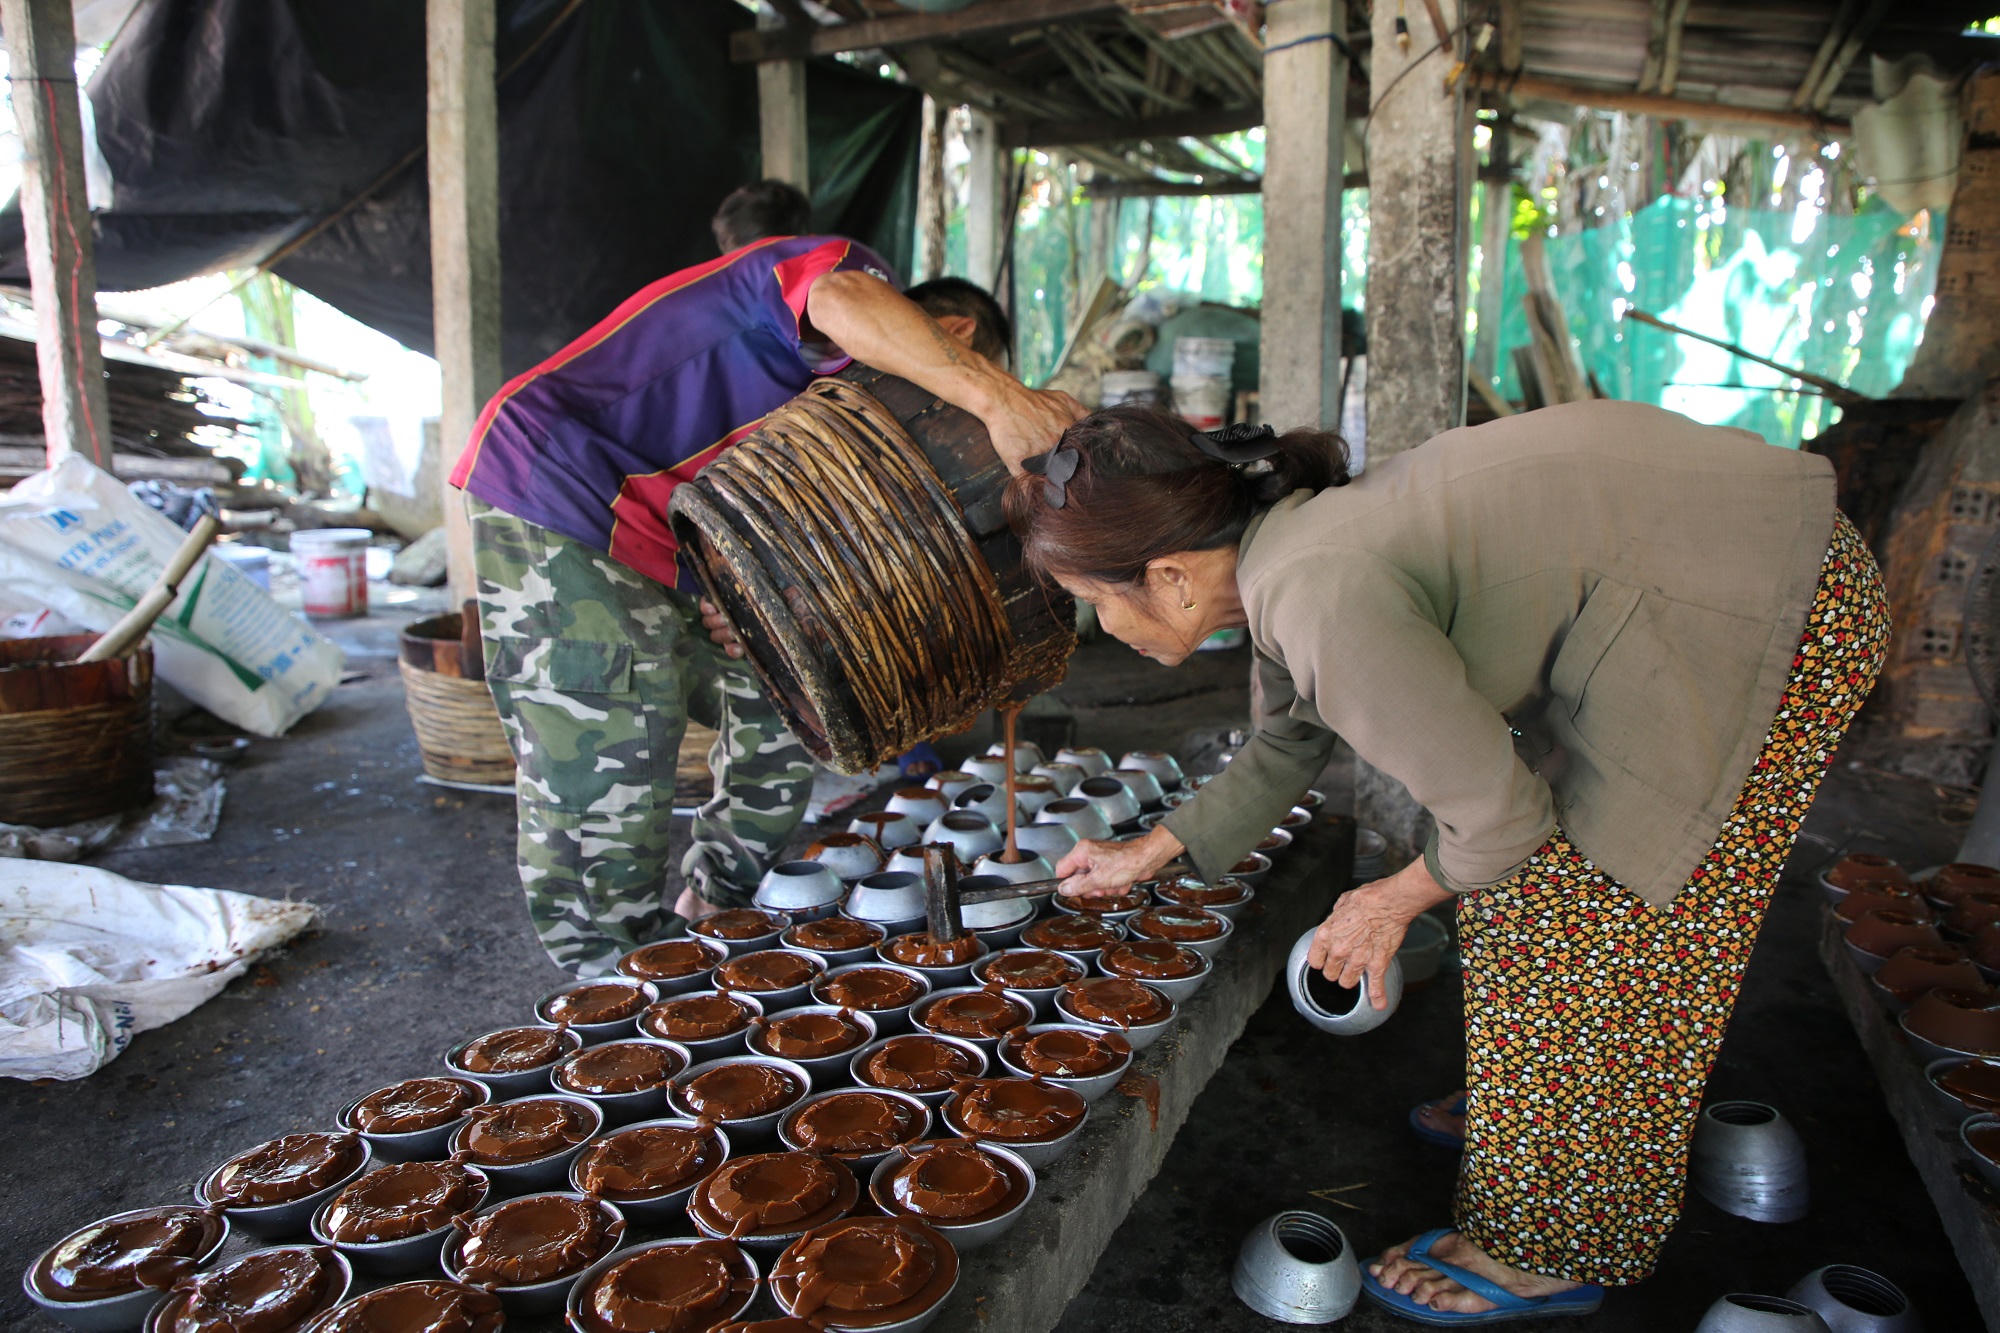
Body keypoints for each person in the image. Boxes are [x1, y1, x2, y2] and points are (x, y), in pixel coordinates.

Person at [1006, 403, 1889, 1326]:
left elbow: (1502, 820)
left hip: (1764, 596)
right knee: (1519, 885)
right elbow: (1287, 742)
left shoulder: (1314, 593)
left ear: (1170, 575)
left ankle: (1553, 1237)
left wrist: (1387, 901)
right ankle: (1539, 1111)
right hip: (1697, 569)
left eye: (1095, 599)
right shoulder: (1278, 557)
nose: (1103, 626)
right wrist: (1149, 850)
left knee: (1606, 909)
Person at [451, 233, 1081, 976]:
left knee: (791, 707)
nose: (960, 427)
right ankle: (617, 982)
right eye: (965, 400)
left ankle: (717, 907)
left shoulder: (852, 416)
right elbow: (839, 298)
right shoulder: (854, 283)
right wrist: (1000, 397)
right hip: (566, 486)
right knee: (612, 750)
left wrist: (739, 588)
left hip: (681, 536)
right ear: (957, 336)